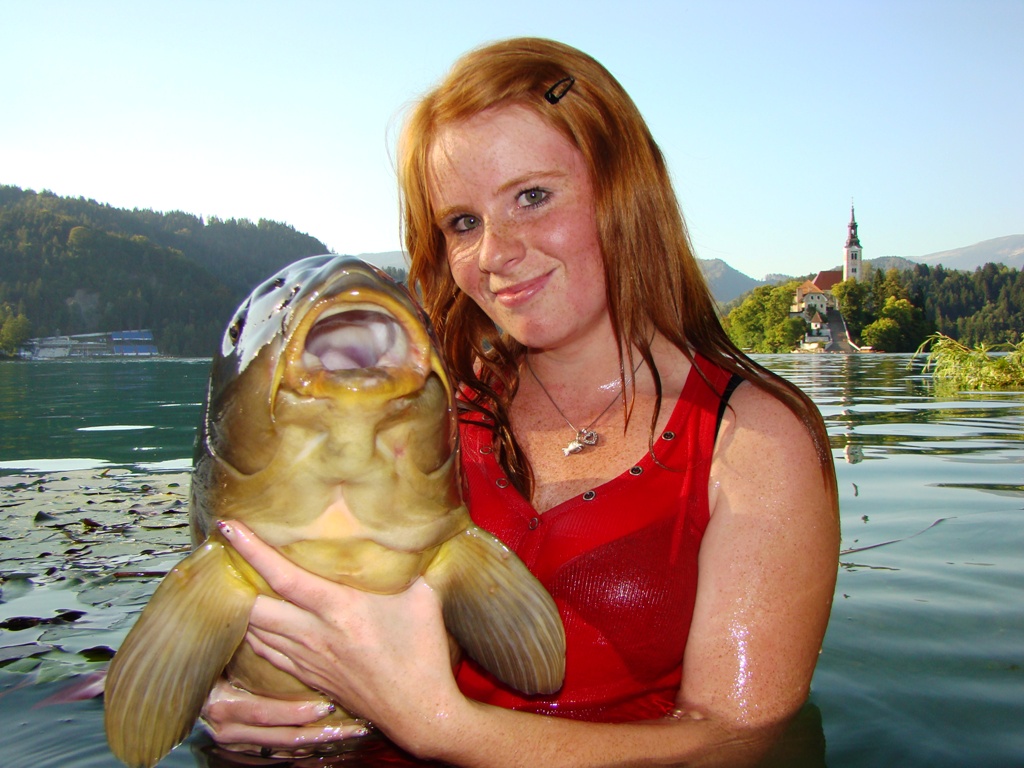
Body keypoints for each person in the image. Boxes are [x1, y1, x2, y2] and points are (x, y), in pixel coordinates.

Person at [202, 37, 840, 767]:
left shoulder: (757, 440)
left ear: (626, 189)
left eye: (531, 197)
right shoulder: (423, 410)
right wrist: (234, 687)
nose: (494, 252)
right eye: (462, 223)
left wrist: (442, 726)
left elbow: (739, 739)